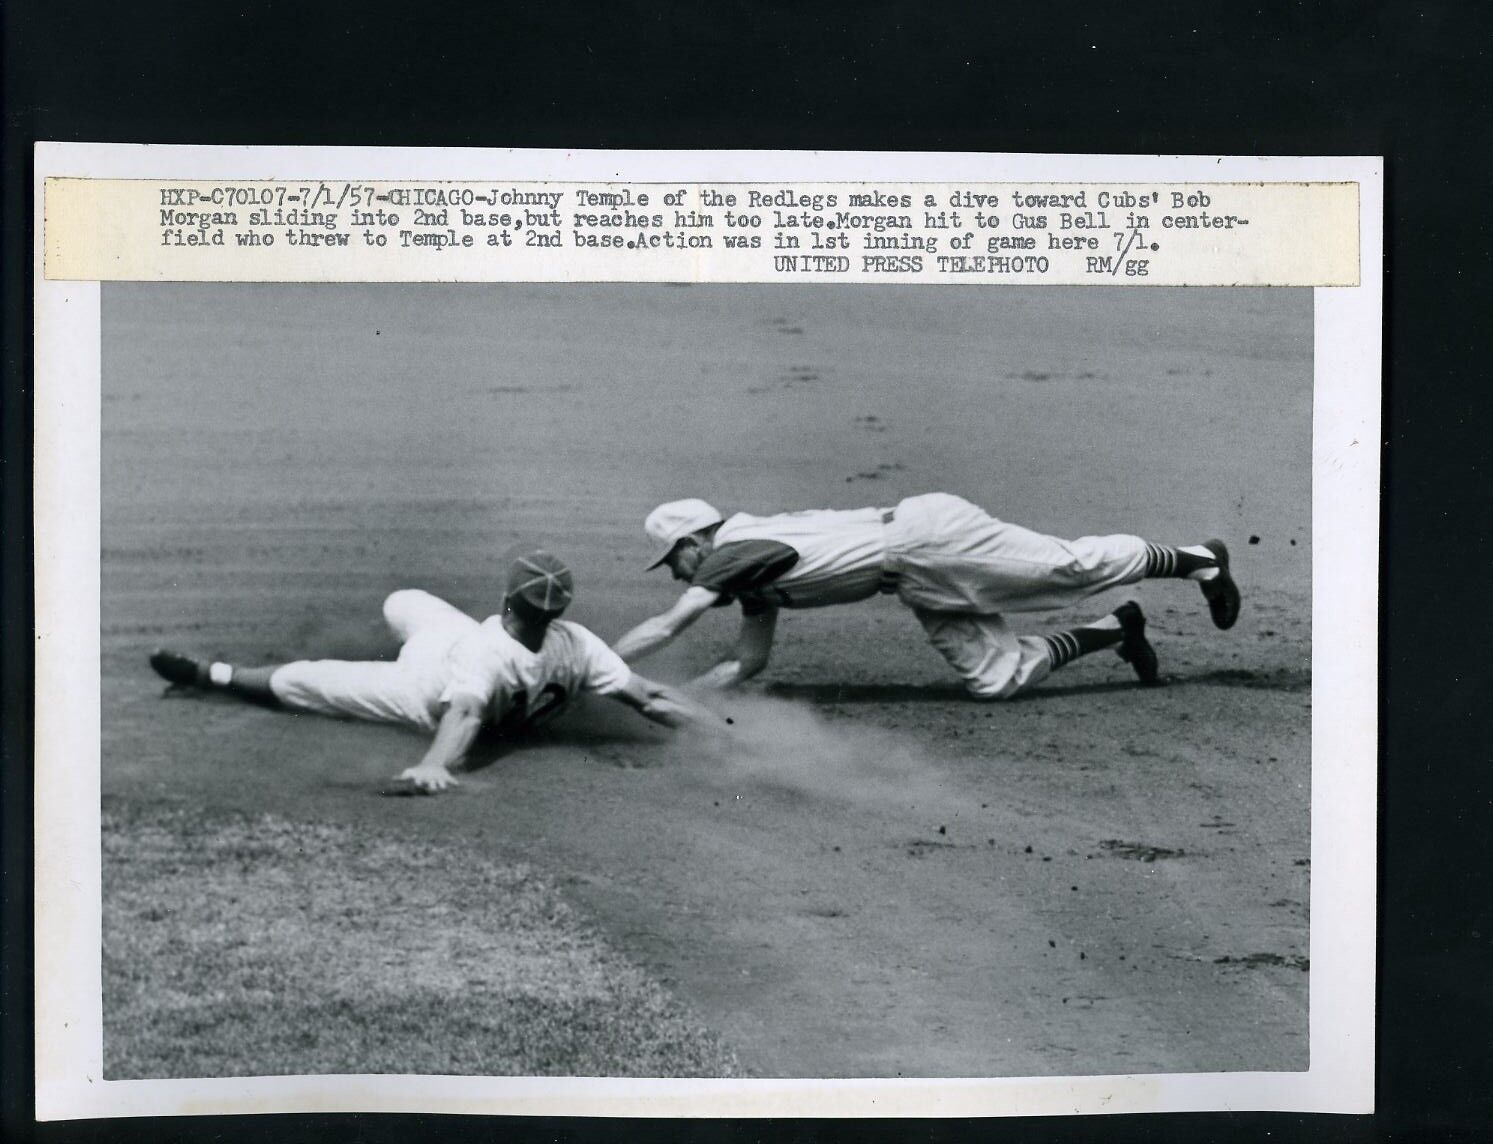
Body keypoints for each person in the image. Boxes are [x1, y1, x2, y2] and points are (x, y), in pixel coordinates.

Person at [149, 551, 725, 793]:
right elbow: (650, 697)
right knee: (405, 602)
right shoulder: (579, 642)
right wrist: (720, 729)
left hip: (418, 689)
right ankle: (221, 675)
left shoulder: (486, 654)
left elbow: (463, 714)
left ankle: (213, 676)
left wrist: (431, 765)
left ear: (508, 601)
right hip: (451, 643)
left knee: (305, 679)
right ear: (559, 610)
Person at [613, 494, 1241, 699]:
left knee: (1066, 568)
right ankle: (1117, 630)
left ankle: (1198, 560)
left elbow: (676, 621)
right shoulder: (750, 578)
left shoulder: (733, 550)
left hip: (928, 542)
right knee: (997, 677)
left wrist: (611, 673)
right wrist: (668, 699)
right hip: (914, 575)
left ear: (697, 541)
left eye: (675, 558)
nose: (677, 573)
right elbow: (747, 663)